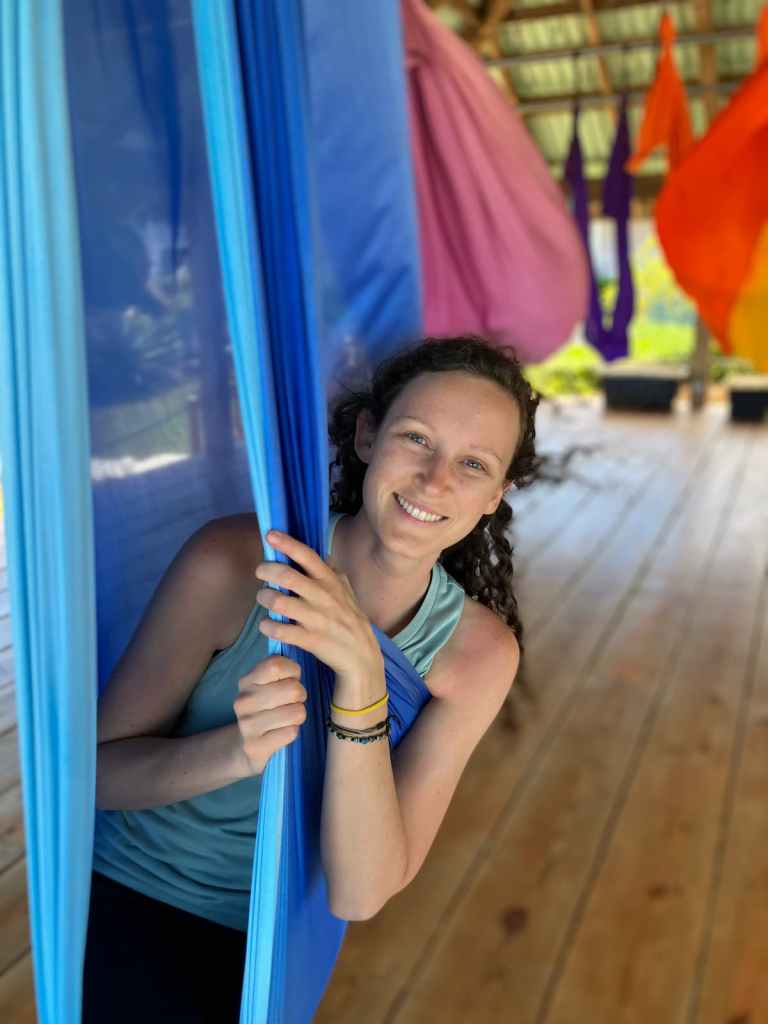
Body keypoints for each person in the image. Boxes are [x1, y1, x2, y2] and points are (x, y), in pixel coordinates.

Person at [82, 335, 539, 1022]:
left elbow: (359, 892)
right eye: (417, 439)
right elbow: (97, 776)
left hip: (286, 941)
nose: (434, 480)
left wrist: (362, 679)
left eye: (473, 464)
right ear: (367, 435)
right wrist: (235, 752)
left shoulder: (476, 654)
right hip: (138, 896)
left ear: (494, 496)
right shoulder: (234, 564)